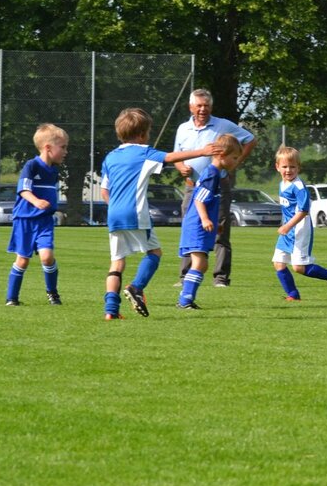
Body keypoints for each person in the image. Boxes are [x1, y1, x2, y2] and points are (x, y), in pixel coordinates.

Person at [100, 108, 221, 321]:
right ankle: (136, 287)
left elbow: (104, 191)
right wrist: (202, 152)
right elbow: (171, 157)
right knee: (154, 253)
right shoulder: (144, 152)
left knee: (117, 263)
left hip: (113, 215)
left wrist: (116, 207)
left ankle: (111, 311)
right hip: (135, 213)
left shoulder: (110, 157)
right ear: (142, 134)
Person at [173, 89, 256, 287]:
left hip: (218, 186)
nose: (203, 109)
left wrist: (236, 162)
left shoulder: (222, 125)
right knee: (190, 229)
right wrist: (181, 167)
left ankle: (220, 277)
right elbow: (176, 155)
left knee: (220, 229)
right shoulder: (183, 129)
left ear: (211, 107)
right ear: (191, 107)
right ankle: (185, 276)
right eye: (199, 105)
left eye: (206, 106)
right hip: (191, 187)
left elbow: (250, 139)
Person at [4, 123, 69, 307]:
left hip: (45, 221)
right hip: (24, 220)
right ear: (48, 148)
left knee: (47, 257)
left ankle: (52, 293)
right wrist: (36, 201)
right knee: (22, 260)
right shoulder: (31, 166)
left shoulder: (54, 171)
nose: (65, 152)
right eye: (63, 147)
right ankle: (11, 298)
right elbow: (24, 190)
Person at [177, 134, 243, 310]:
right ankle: (184, 301)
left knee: (202, 264)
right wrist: (205, 219)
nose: (236, 161)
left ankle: (186, 298)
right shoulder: (212, 174)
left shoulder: (214, 173)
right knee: (199, 263)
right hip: (197, 224)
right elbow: (199, 199)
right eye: (234, 157)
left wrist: (215, 223)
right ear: (221, 155)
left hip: (199, 223)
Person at [271, 145, 327, 301]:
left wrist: (287, 226)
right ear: (277, 167)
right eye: (284, 166)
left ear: (299, 168)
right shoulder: (282, 184)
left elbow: (303, 211)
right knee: (278, 263)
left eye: (292, 167)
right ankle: (293, 295)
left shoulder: (299, 187)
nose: (288, 170)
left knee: (299, 267)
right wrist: (286, 225)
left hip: (299, 229)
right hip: (288, 230)